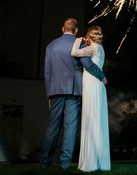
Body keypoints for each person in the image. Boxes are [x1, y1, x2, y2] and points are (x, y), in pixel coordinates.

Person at [40, 18, 107, 171]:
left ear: (62, 29)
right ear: (76, 31)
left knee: (52, 126)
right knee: (70, 126)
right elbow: (87, 64)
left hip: (55, 90)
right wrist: (101, 76)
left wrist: (49, 94)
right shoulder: (80, 43)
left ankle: (44, 162)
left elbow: (47, 72)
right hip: (74, 89)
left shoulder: (50, 46)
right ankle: (65, 164)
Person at [71, 25, 111, 172]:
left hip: (91, 83)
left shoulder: (93, 48)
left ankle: (91, 161)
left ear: (89, 36)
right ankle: (100, 160)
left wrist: (79, 39)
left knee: (91, 118)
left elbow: (74, 52)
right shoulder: (100, 49)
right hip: (98, 84)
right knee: (97, 120)